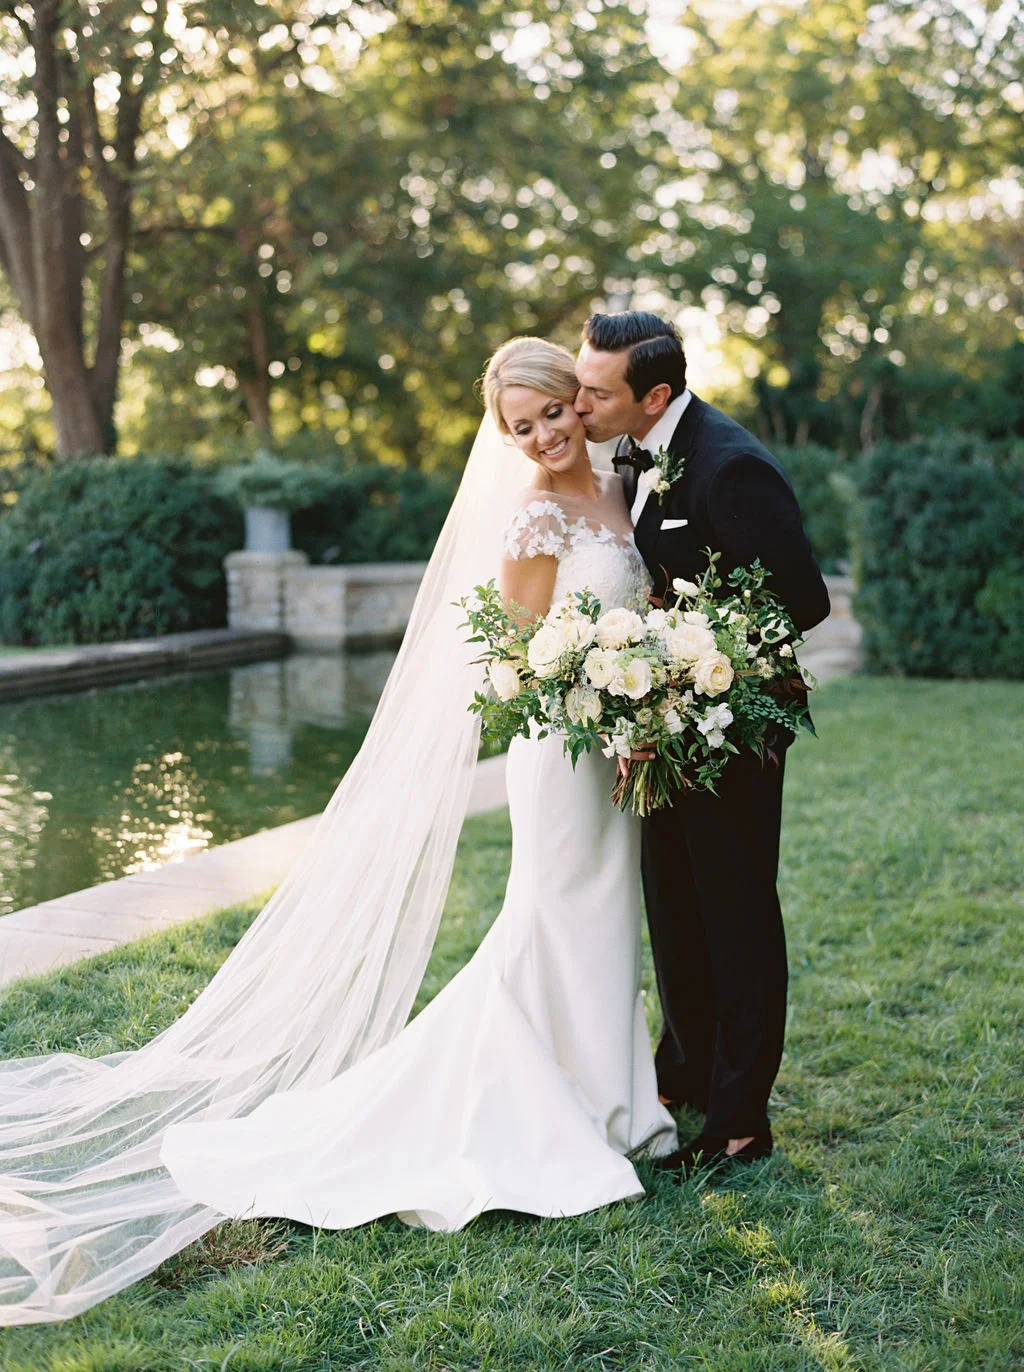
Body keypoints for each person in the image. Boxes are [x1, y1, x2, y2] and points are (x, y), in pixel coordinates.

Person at [0, 338, 674, 1326]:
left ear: (579, 399)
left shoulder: (619, 484)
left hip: (615, 747)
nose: (544, 433)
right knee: (555, 913)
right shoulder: (531, 516)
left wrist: (642, 686)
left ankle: (615, 1098)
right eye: (521, 426)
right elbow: (512, 655)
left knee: (606, 914)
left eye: (551, 412)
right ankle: (556, 1108)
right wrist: (590, 683)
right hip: (560, 754)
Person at [574, 311, 830, 1176]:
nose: (580, 402)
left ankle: (739, 1123)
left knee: (735, 916)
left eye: (596, 391)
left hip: (733, 735)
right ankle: (681, 1072)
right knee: (674, 906)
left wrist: (687, 659)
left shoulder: (732, 466)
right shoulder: (633, 448)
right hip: (667, 729)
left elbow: (802, 602)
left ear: (655, 393)